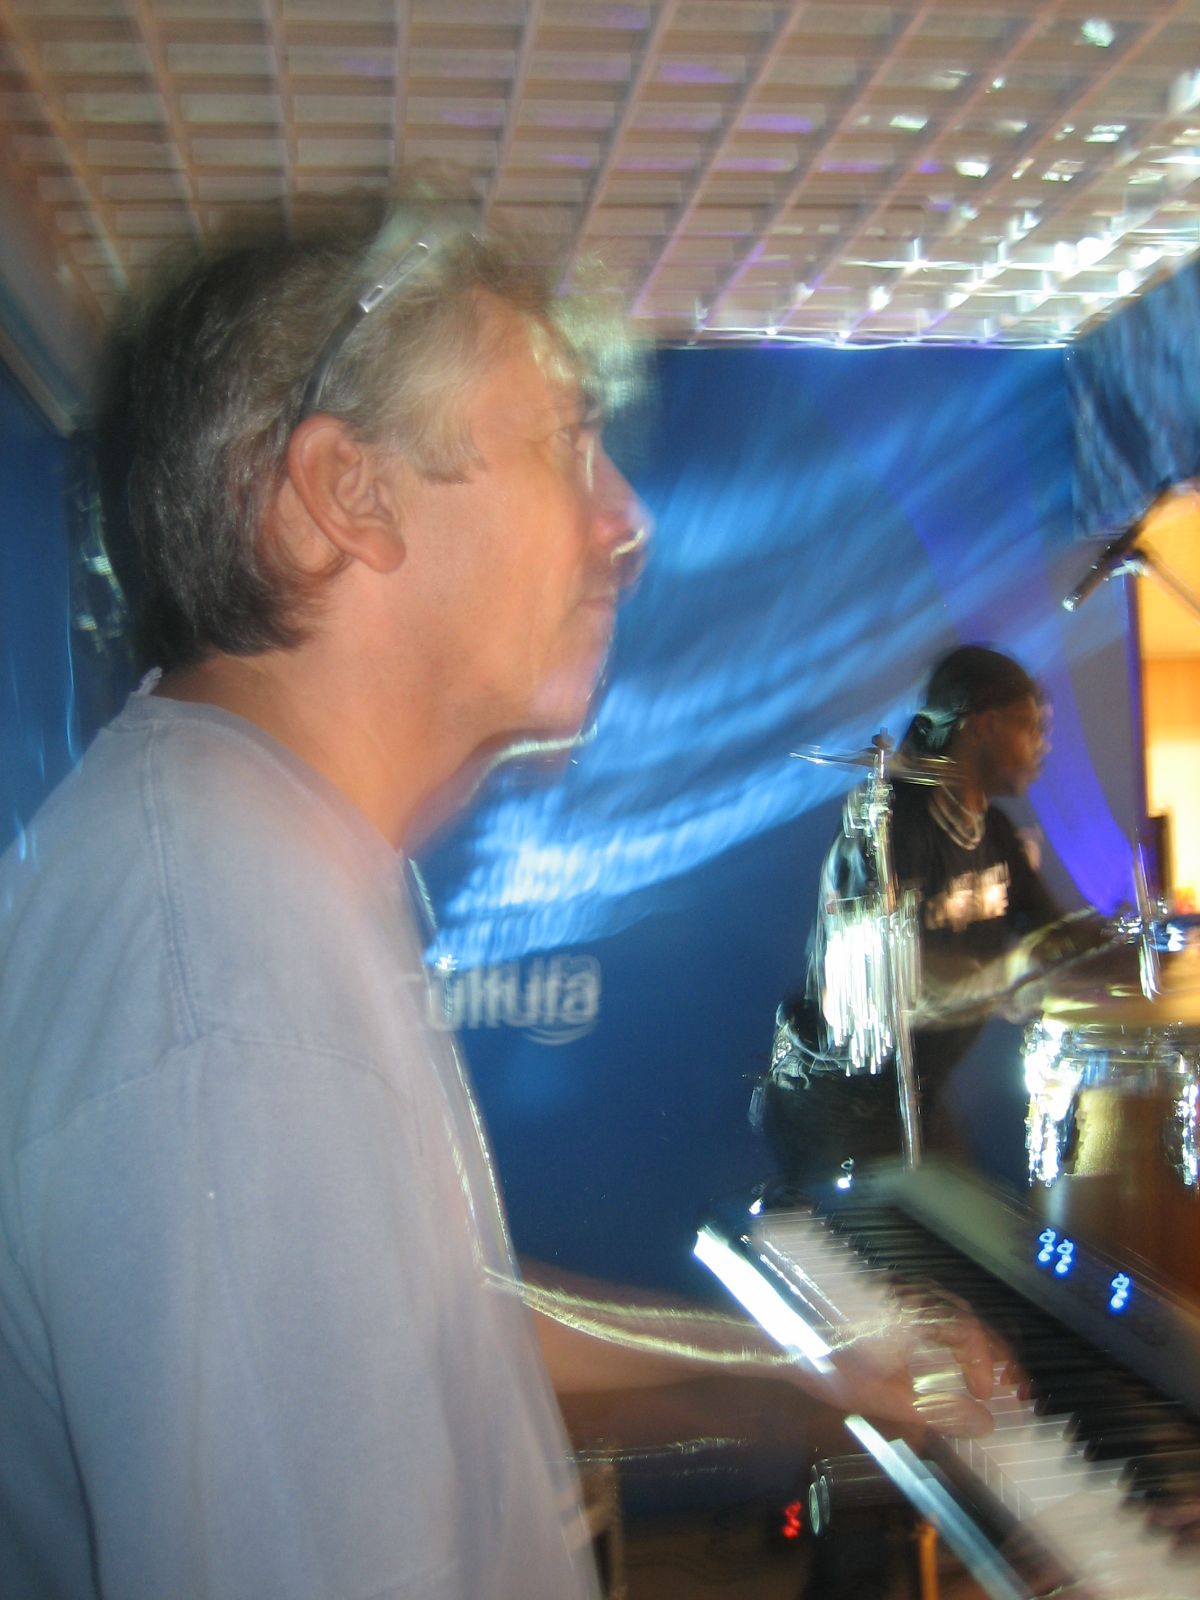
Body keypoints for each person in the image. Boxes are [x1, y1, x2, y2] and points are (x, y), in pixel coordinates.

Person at [0, 198, 992, 1600]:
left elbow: (420, 1321)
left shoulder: (257, 868)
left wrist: (793, 1375)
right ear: (345, 496)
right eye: (563, 443)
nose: (627, 521)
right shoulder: (221, 962)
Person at [761, 644, 1102, 1189]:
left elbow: (1051, 934)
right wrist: (1007, 975)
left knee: (957, 1228)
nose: (1044, 745)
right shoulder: (889, 828)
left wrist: (1120, 940)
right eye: (1033, 726)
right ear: (983, 725)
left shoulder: (996, 834)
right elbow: (888, 982)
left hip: (915, 1095)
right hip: (838, 1101)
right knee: (903, 1242)